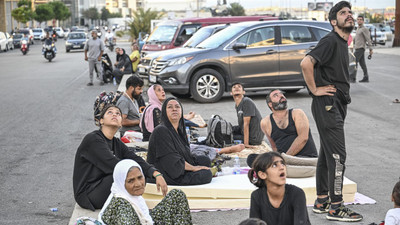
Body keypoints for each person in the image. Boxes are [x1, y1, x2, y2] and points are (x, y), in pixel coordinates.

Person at [300, 1, 363, 222]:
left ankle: (322, 200)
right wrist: (315, 89)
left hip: (336, 103)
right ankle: (336, 207)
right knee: (338, 155)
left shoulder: (340, 42)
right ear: (333, 21)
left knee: (328, 154)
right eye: (343, 13)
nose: (349, 15)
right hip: (328, 103)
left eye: (350, 12)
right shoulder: (330, 41)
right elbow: (306, 63)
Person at [73, 104, 167, 211]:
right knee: (127, 174)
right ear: (101, 121)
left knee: (139, 170)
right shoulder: (93, 139)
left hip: (104, 183)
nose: (114, 114)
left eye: (118, 113)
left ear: (121, 123)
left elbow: (134, 158)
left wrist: (155, 173)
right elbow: (114, 165)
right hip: (89, 193)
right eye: (110, 112)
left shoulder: (116, 142)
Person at [141, 84, 245, 156]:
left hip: (162, 142)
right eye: (159, 90)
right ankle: (224, 150)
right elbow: (162, 131)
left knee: (194, 145)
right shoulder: (155, 110)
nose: (163, 91)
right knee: (196, 149)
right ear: (153, 94)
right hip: (158, 144)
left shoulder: (153, 107)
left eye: (163, 89)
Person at [99, 159, 192, 225]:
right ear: (121, 183)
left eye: (140, 177)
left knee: (177, 195)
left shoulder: (131, 196)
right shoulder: (121, 206)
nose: (138, 184)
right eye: (131, 181)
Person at [147, 97, 213, 185]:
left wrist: (196, 165)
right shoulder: (161, 131)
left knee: (204, 160)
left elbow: (185, 153)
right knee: (207, 174)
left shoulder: (179, 130)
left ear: (181, 111)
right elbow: (170, 160)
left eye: (177, 107)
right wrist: (194, 168)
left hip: (178, 166)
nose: (174, 109)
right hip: (167, 173)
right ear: (164, 112)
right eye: (170, 107)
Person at [248, 152, 310, 225]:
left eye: (282, 163)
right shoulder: (257, 196)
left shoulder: (296, 193)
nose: (281, 167)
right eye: (274, 165)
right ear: (262, 175)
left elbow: (300, 223)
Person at [231, 82, 264, 147]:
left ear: (244, 92)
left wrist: (246, 144)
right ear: (231, 93)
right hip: (245, 131)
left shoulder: (246, 101)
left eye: (239, 86)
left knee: (227, 136)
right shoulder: (237, 105)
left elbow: (246, 124)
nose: (237, 88)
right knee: (228, 129)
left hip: (254, 138)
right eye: (234, 87)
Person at [352, 15, 373, 83]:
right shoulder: (358, 28)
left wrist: (370, 49)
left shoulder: (364, 29)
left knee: (354, 62)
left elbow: (368, 39)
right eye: (358, 19)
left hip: (360, 48)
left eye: (360, 19)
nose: (359, 20)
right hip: (357, 48)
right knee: (362, 63)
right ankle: (366, 77)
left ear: (363, 21)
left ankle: (352, 78)